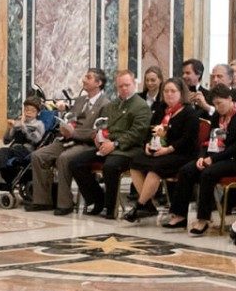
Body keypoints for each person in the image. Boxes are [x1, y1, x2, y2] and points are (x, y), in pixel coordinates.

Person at [27, 68, 109, 215]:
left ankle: (65, 204)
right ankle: (42, 201)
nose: (84, 79)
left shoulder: (106, 104)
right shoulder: (80, 100)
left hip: (86, 144)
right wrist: (65, 125)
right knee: (38, 156)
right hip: (67, 139)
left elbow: (99, 131)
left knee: (64, 159)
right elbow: (72, 119)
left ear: (98, 83)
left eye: (88, 77)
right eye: (85, 76)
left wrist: (74, 133)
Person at [72, 70, 149, 217]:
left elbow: (136, 133)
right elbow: (103, 125)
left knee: (111, 166)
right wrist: (98, 136)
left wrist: (115, 144)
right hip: (107, 146)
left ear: (134, 84)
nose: (124, 89)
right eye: (120, 86)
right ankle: (96, 199)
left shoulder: (141, 106)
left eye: (127, 85)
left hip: (129, 150)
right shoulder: (112, 105)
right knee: (76, 163)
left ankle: (110, 206)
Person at [123, 77, 199, 224]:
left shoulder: (189, 112)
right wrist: (147, 145)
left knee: (155, 169)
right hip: (160, 151)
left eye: (173, 91)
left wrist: (167, 150)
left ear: (181, 93)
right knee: (134, 163)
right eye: (166, 91)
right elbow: (149, 130)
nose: (169, 94)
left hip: (181, 153)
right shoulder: (161, 109)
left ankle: (139, 206)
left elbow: (187, 140)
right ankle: (148, 204)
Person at [185, 83, 236, 234]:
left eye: (220, 103)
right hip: (216, 155)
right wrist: (202, 157)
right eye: (215, 104)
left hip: (234, 159)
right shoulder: (216, 117)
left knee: (208, 173)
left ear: (230, 99)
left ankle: (203, 219)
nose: (218, 107)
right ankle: (179, 214)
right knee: (187, 170)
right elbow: (207, 140)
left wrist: (213, 160)